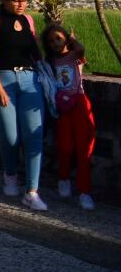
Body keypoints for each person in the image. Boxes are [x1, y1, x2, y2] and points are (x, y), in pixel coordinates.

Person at [0, 0, 47, 210]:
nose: (21, 4)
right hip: (3, 78)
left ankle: (32, 190)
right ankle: (10, 173)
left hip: (30, 79)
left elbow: (36, 52)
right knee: (11, 136)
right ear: (5, 1)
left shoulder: (28, 20)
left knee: (34, 135)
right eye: (16, 0)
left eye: (24, 0)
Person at [42, 24, 95, 210]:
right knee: (64, 147)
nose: (55, 43)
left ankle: (84, 192)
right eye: (51, 41)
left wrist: (72, 39)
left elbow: (80, 49)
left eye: (58, 38)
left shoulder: (75, 57)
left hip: (79, 103)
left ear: (65, 38)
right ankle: (63, 179)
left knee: (84, 149)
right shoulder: (50, 61)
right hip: (62, 106)